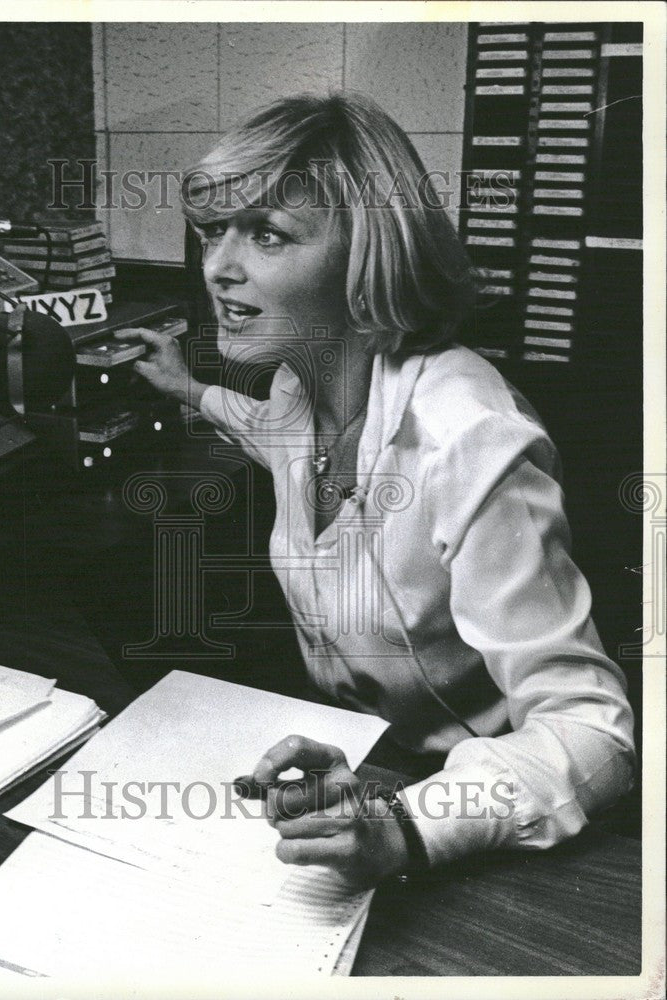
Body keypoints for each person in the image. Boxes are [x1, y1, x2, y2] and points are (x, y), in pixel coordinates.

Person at [131, 92, 636, 888]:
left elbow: (594, 734)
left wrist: (407, 827)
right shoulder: (305, 387)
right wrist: (187, 389)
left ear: (368, 253)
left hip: (497, 817)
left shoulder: (467, 435)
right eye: (211, 233)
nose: (218, 266)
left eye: (266, 234)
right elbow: (273, 435)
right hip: (369, 769)